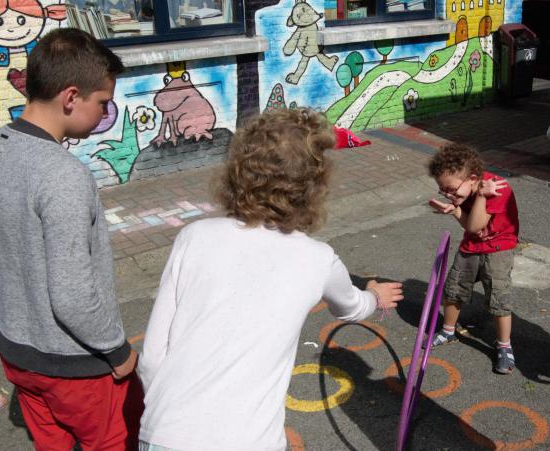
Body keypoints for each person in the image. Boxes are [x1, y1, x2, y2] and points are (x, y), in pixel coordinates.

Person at [138, 108, 404, 451]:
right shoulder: (317, 258)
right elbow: (352, 307)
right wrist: (375, 297)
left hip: (165, 433)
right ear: (313, 187)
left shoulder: (194, 236)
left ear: (238, 173)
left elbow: (151, 359)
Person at [0, 28, 143, 448]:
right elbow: (72, 293)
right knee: (113, 440)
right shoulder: (63, 175)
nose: (106, 113)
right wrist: (118, 351)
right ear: (71, 97)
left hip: (17, 356)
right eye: (103, 103)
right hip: (75, 364)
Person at [427, 143, 519, 375]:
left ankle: (504, 345)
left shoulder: (497, 187)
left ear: (474, 178)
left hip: (498, 247)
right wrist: (455, 209)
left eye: (451, 189)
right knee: (453, 289)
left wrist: (480, 196)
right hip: (472, 244)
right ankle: (448, 330)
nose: (448, 194)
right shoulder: (466, 189)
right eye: (443, 190)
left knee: (498, 297)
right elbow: (469, 227)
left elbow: (475, 224)